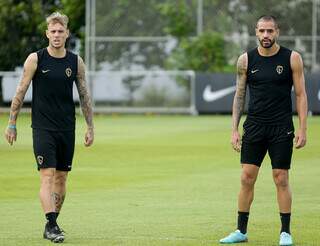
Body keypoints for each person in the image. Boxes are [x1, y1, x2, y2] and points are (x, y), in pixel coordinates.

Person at [4, 12, 94, 243]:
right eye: (52, 31)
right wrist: (12, 123)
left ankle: (51, 223)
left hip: (67, 127)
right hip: (43, 127)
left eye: (60, 31)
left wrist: (90, 126)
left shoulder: (75, 61)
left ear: (66, 34)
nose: (56, 35)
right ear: (47, 33)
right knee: (47, 175)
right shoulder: (35, 59)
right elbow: (20, 91)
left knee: (62, 178)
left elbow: (84, 95)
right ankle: (52, 224)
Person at [219, 15, 307, 246]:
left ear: (277, 31)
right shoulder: (245, 60)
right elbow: (239, 95)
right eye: (261, 31)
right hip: (255, 126)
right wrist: (234, 129)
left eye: (270, 31)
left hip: (281, 127)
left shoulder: (292, 58)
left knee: (281, 178)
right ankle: (241, 231)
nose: (266, 35)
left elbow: (300, 95)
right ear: (256, 32)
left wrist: (302, 128)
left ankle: (285, 233)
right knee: (247, 177)